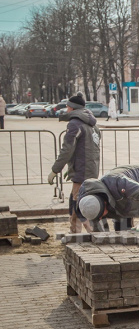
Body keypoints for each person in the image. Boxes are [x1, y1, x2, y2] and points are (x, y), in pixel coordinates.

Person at [47, 93, 101, 233]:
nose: (66, 110)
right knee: (78, 199)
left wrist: (55, 170)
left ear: (72, 108)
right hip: (90, 168)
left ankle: (90, 232)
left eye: (67, 107)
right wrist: (72, 166)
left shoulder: (75, 124)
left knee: (78, 202)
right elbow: (89, 148)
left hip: (82, 170)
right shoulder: (92, 124)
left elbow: (67, 149)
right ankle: (77, 231)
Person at [76, 164, 139, 232]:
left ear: (105, 202)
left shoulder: (117, 182)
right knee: (121, 221)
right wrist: (101, 237)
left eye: (102, 214)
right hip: (123, 195)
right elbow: (96, 222)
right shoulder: (87, 198)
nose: (101, 218)